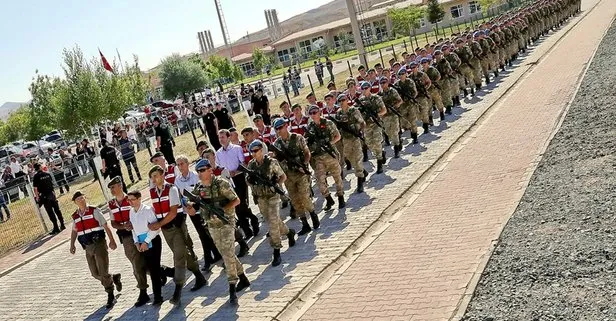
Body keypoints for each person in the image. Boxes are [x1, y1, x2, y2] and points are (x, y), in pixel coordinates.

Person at [186, 159, 250, 305]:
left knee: (227, 255)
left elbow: (236, 200)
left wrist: (222, 209)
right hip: (211, 225)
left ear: (210, 170)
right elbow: (192, 206)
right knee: (227, 254)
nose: (200, 174)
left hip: (226, 223)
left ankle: (232, 286)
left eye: (203, 170)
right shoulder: (199, 187)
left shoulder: (221, 183)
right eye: (198, 171)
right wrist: (189, 207)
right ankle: (244, 278)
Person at [147, 165, 207, 305]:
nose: (154, 179)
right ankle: (199, 276)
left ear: (163, 175)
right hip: (166, 230)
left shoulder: (172, 189)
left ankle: (177, 291)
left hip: (176, 227)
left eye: (156, 176)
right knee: (183, 254)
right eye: (152, 177)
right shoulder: (153, 192)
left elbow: (173, 212)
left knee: (178, 257)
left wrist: (158, 224)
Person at [246, 140, 296, 266]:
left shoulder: (271, 162)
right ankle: (289, 232)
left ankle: (277, 250)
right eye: (252, 151)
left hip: (273, 196)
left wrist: (275, 184)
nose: (254, 153)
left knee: (273, 221)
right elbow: (248, 181)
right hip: (261, 197)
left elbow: (283, 176)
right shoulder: (251, 165)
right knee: (272, 221)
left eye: (256, 151)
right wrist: (251, 181)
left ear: (261, 150)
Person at [68, 191, 122, 309]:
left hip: (99, 244)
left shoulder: (94, 210)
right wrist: (72, 244)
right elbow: (74, 231)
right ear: (75, 202)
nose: (81, 201)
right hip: (87, 246)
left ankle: (110, 294)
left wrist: (112, 240)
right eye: (78, 200)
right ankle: (113, 278)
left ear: (85, 198)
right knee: (94, 273)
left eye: (82, 198)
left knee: (103, 271)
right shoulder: (75, 216)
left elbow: (105, 225)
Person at [174, 155, 224, 271]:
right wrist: (187, 209)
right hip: (192, 211)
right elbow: (180, 197)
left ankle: (209, 258)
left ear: (187, 164)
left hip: (203, 208)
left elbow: (202, 192)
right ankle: (214, 255)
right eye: (178, 165)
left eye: (182, 164)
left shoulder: (196, 176)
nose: (180, 167)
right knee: (202, 234)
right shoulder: (177, 180)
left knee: (207, 233)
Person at [106, 176, 150, 306]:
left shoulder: (130, 199)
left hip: (139, 233)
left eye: (114, 187)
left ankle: (143, 291)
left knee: (138, 263)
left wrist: (132, 223)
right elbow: (113, 223)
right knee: (137, 261)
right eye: (110, 188)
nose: (112, 190)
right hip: (126, 237)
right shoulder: (111, 204)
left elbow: (140, 212)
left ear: (120, 186)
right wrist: (123, 226)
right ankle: (163, 272)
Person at [272, 119, 319, 235]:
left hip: (300, 173)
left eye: (281, 127)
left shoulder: (297, 138)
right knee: (295, 201)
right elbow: (276, 160)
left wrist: (304, 164)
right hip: (288, 176)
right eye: (277, 129)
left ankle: (313, 215)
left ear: (286, 126)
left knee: (304, 197)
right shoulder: (277, 144)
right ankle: (304, 224)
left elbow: (307, 152)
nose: (279, 130)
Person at [216, 129, 260, 239]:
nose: (221, 139)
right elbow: (220, 168)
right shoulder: (218, 153)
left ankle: (253, 219)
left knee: (242, 204)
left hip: (239, 178)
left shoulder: (237, 149)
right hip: (227, 181)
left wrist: (235, 172)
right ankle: (247, 230)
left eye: (223, 137)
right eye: (219, 137)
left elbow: (243, 164)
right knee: (236, 206)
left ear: (228, 137)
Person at [127, 190, 164, 306]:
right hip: (141, 242)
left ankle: (158, 297)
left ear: (139, 199)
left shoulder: (147, 210)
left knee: (153, 270)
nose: (130, 202)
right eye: (129, 200)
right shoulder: (131, 212)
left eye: (132, 199)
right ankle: (169, 272)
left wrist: (146, 242)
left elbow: (156, 228)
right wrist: (137, 242)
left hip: (152, 241)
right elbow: (133, 229)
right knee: (149, 267)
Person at [305, 105, 345, 210]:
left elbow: (338, 136)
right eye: (311, 113)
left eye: (315, 112)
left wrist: (329, 144)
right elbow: (307, 142)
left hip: (330, 155)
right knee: (320, 180)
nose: (313, 115)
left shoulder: (328, 123)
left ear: (319, 112)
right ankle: (328, 199)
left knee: (337, 177)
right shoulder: (310, 128)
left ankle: (341, 197)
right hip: (318, 158)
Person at [334, 94, 367, 193]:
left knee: (357, 158)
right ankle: (362, 171)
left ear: (347, 100)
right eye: (339, 101)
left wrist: (361, 133)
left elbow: (362, 123)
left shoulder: (353, 110)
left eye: (343, 100)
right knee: (348, 157)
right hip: (346, 140)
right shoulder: (338, 113)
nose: (341, 102)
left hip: (355, 138)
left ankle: (360, 181)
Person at [357, 81, 387, 173]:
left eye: (366, 88)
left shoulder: (376, 98)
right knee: (370, 144)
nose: (365, 90)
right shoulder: (360, 101)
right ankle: (381, 153)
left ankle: (379, 163)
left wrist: (376, 115)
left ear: (370, 88)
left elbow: (384, 110)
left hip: (376, 124)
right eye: (363, 89)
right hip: (366, 126)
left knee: (377, 141)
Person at [33, 163, 65, 235]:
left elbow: (35, 189)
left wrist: (37, 198)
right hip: (52, 194)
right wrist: (54, 194)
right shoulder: (47, 174)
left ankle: (56, 227)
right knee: (57, 210)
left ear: (35, 169)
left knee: (50, 212)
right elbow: (51, 184)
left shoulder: (36, 176)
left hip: (44, 196)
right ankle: (62, 224)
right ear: (40, 167)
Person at [379, 77, 403, 159]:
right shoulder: (380, 94)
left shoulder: (392, 91)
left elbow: (400, 101)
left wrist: (394, 106)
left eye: (384, 82)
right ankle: (398, 142)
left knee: (394, 131)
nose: (383, 84)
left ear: (387, 82)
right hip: (385, 117)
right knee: (389, 133)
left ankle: (396, 149)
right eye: (381, 83)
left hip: (393, 115)